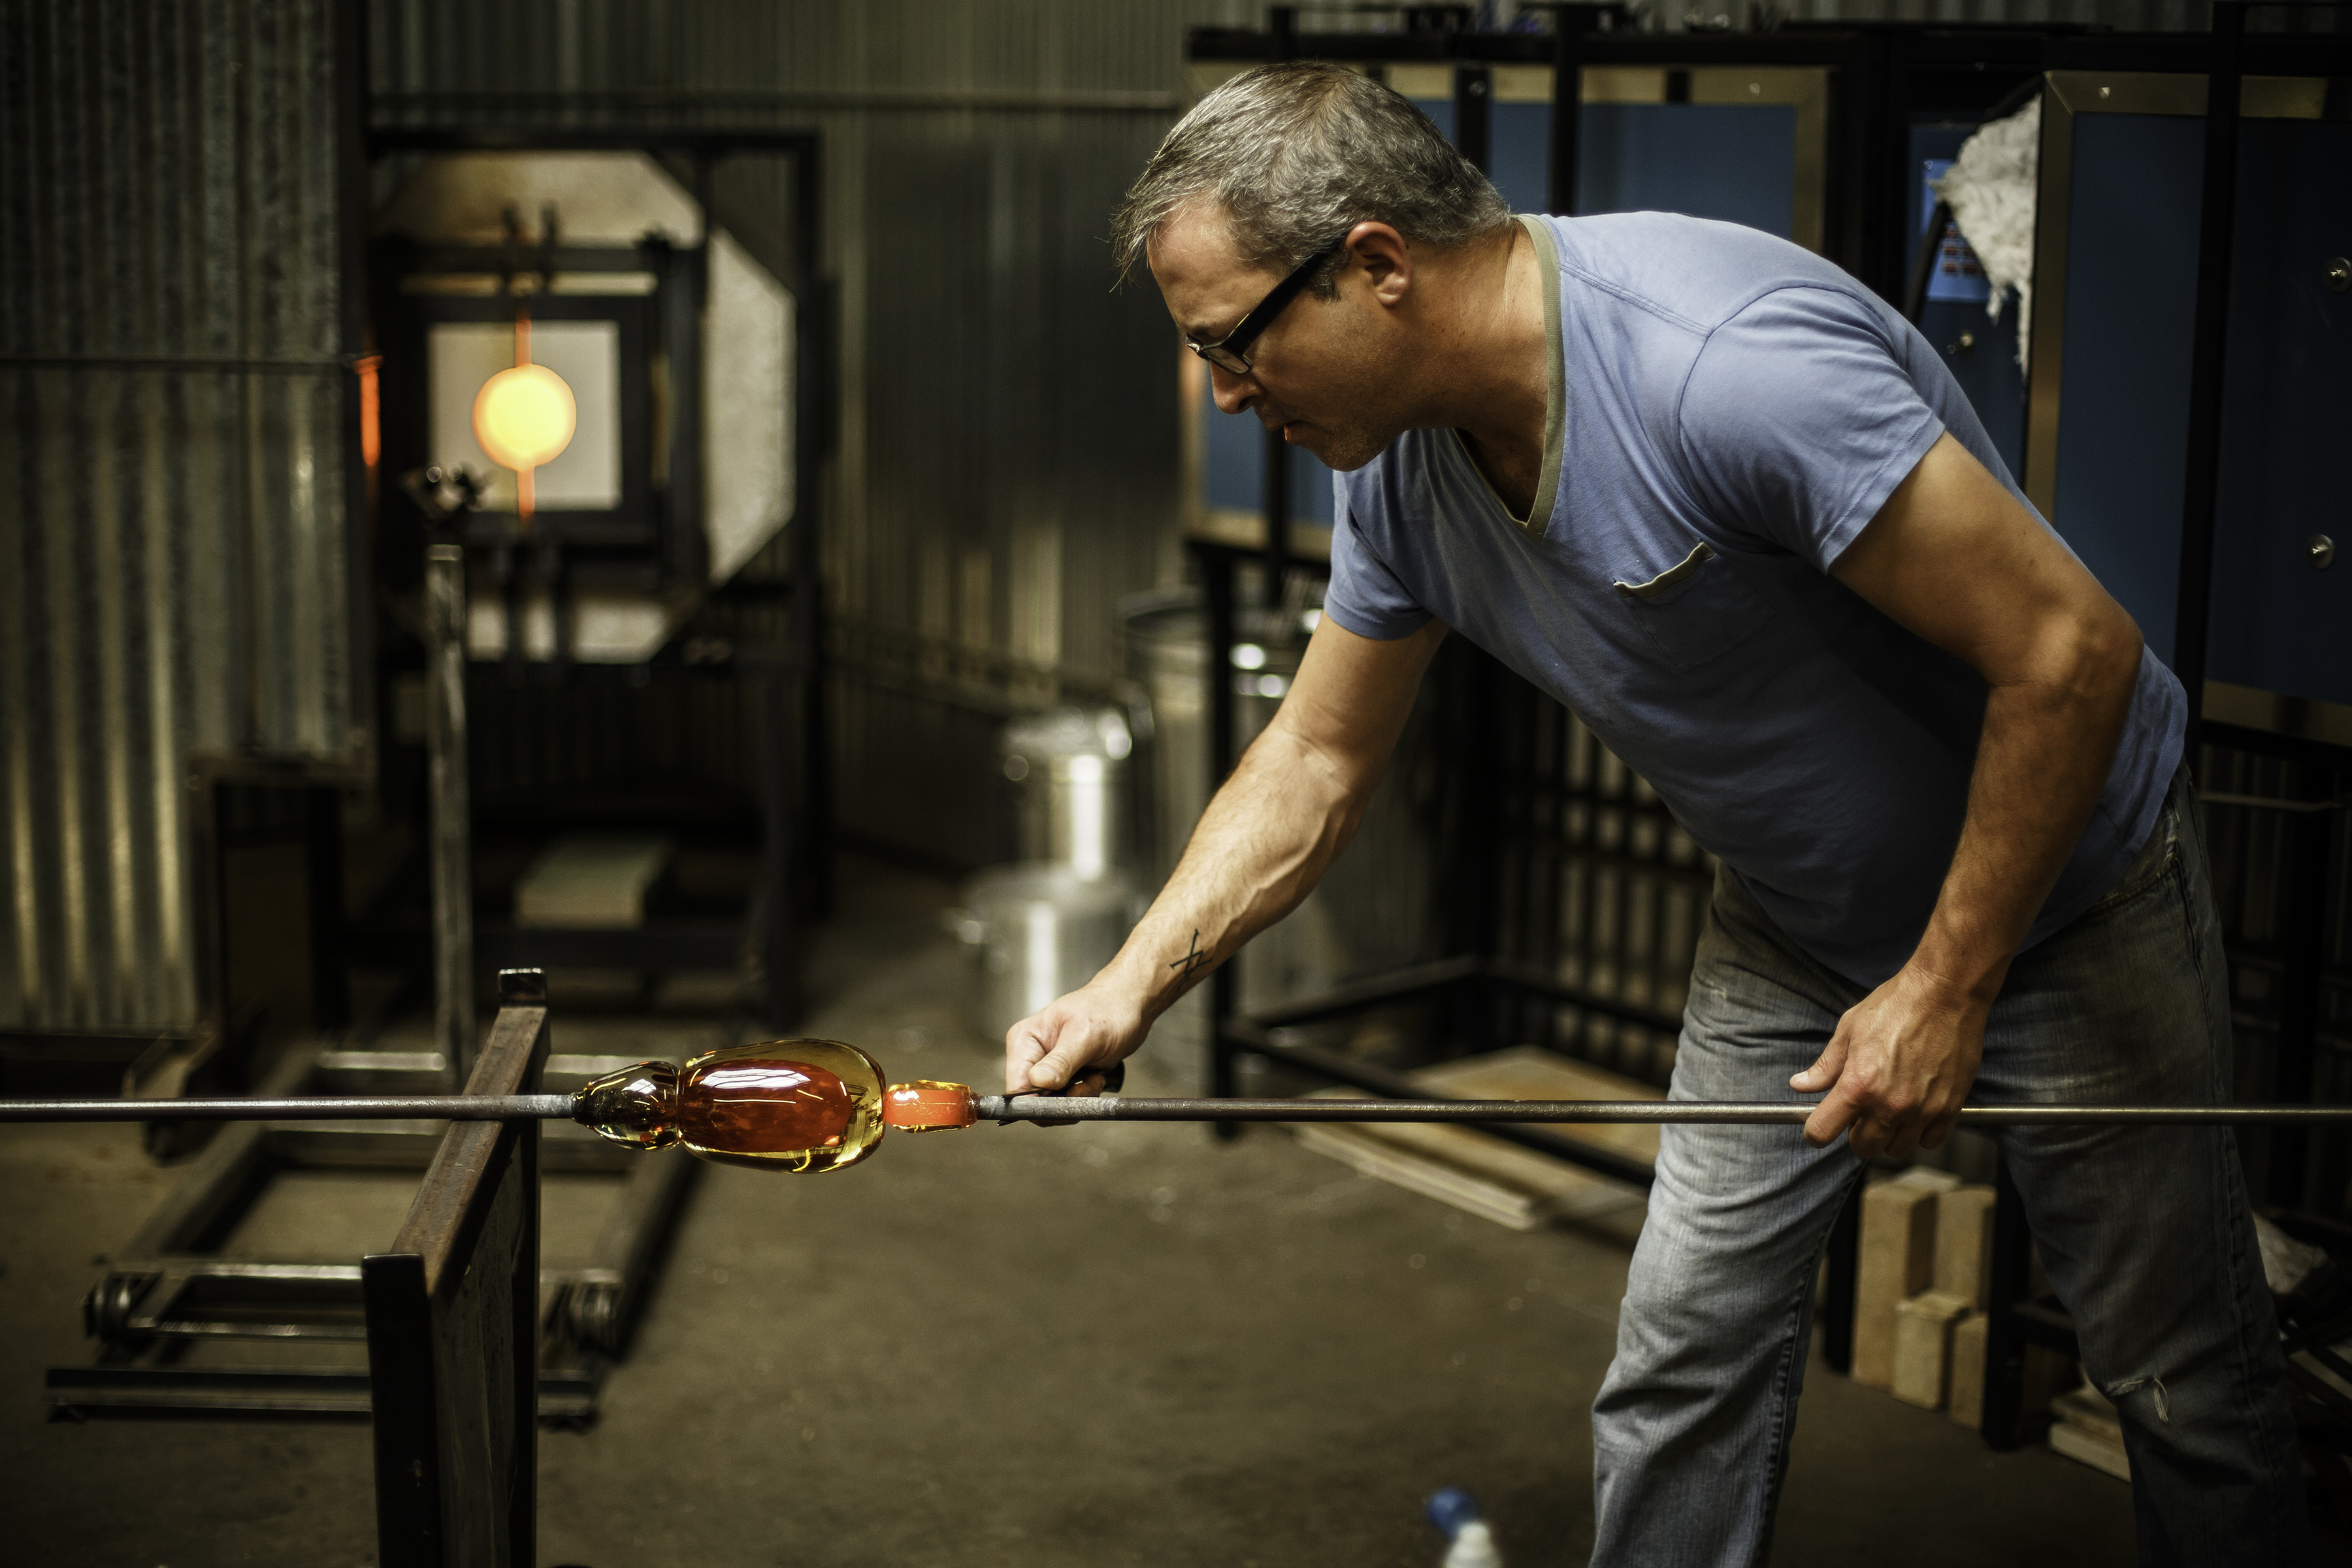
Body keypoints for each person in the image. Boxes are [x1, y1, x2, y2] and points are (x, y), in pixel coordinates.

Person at [1005, 62, 2304, 1565]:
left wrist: (1947, 988)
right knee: (1682, 1364)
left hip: (2067, 901)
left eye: (1234, 344)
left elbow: (2074, 656)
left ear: (1374, 267)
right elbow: (1314, 765)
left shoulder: (1720, 368)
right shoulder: (1401, 474)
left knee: (2179, 1382)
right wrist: (1126, 990)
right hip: (1797, 920)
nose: (1230, 394)